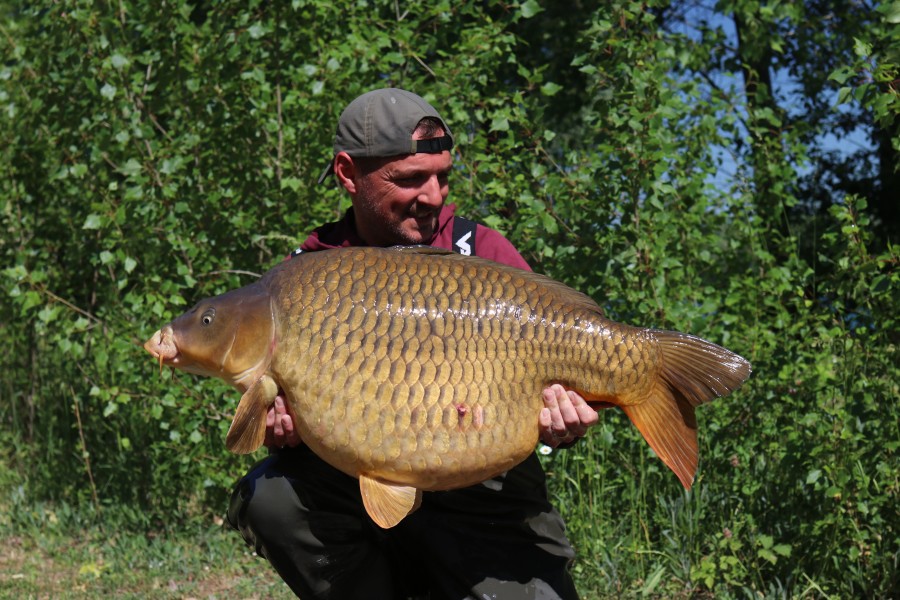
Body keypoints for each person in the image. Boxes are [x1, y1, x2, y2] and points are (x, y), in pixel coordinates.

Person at [226, 88, 599, 599]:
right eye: (409, 179)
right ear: (347, 174)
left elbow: (558, 386)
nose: (435, 196)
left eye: (443, 177)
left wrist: (564, 424)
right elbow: (277, 406)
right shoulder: (308, 273)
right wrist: (286, 428)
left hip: (486, 497)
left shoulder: (481, 251)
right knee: (271, 497)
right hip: (356, 489)